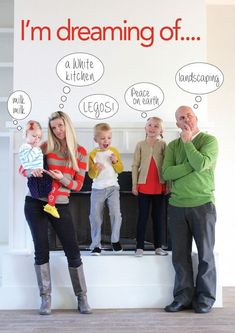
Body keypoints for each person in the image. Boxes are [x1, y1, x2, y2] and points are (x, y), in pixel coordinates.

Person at [21, 111, 92, 315]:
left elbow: (78, 185)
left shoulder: (80, 153)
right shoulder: (44, 147)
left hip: (60, 205)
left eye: (60, 125)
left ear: (67, 125)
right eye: (53, 127)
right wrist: (29, 171)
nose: (57, 130)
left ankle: (82, 297)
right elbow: (23, 167)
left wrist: (62, 179)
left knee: (72, 250)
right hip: (35, 203)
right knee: (41, 249)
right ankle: (45, 298)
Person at [162, 106, 218, 314]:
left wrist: (187, 143)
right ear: (177, 124)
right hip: (177, 206)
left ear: (196, 119)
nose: (186, 120)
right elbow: (167, 173)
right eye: (181, 118)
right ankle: (183, 297)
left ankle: (205, 298)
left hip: (203, 204)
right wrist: (191, 165)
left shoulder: (209, 141)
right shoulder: (172, 146)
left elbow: (202, 162)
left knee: (205, 255)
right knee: (180, 255)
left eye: (189, 116)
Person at [132, 117, 168, 257]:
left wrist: (168, 185)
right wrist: (135, 184)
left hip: (159, 186)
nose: (152, 128)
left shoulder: (164, 145)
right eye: (150, 125)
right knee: (142, 217)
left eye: (156, 126)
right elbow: (135, 165)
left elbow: (167, 165)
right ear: (145, 128)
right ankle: (139, 247)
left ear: (161, 130)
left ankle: (158, 246)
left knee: (158, 217)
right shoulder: (140, 144)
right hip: (143, 186)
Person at [88, 123, 123, 255]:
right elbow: (91, 175)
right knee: (95, 216)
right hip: (97, 189)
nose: (106, 141)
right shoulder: (92, 154)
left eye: (109, 138)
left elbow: (119, 169)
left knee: (116, 214)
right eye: (102, 138)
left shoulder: (113, 151)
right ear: (96, 140)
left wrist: (115, 161)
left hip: (113, 188)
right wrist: (95, 168)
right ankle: (96, 245)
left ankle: (115, 240)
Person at [19, 120, 60, 218]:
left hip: (46, 181)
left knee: (54, 184)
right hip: (36, 184)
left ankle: (51, 205)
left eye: (39, 137)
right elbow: (22, 169)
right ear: (26, 135)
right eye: (34, 136)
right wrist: (32, 172)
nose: (37, 139)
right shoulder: (30, 148)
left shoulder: (37, 148)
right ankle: (50, 205)